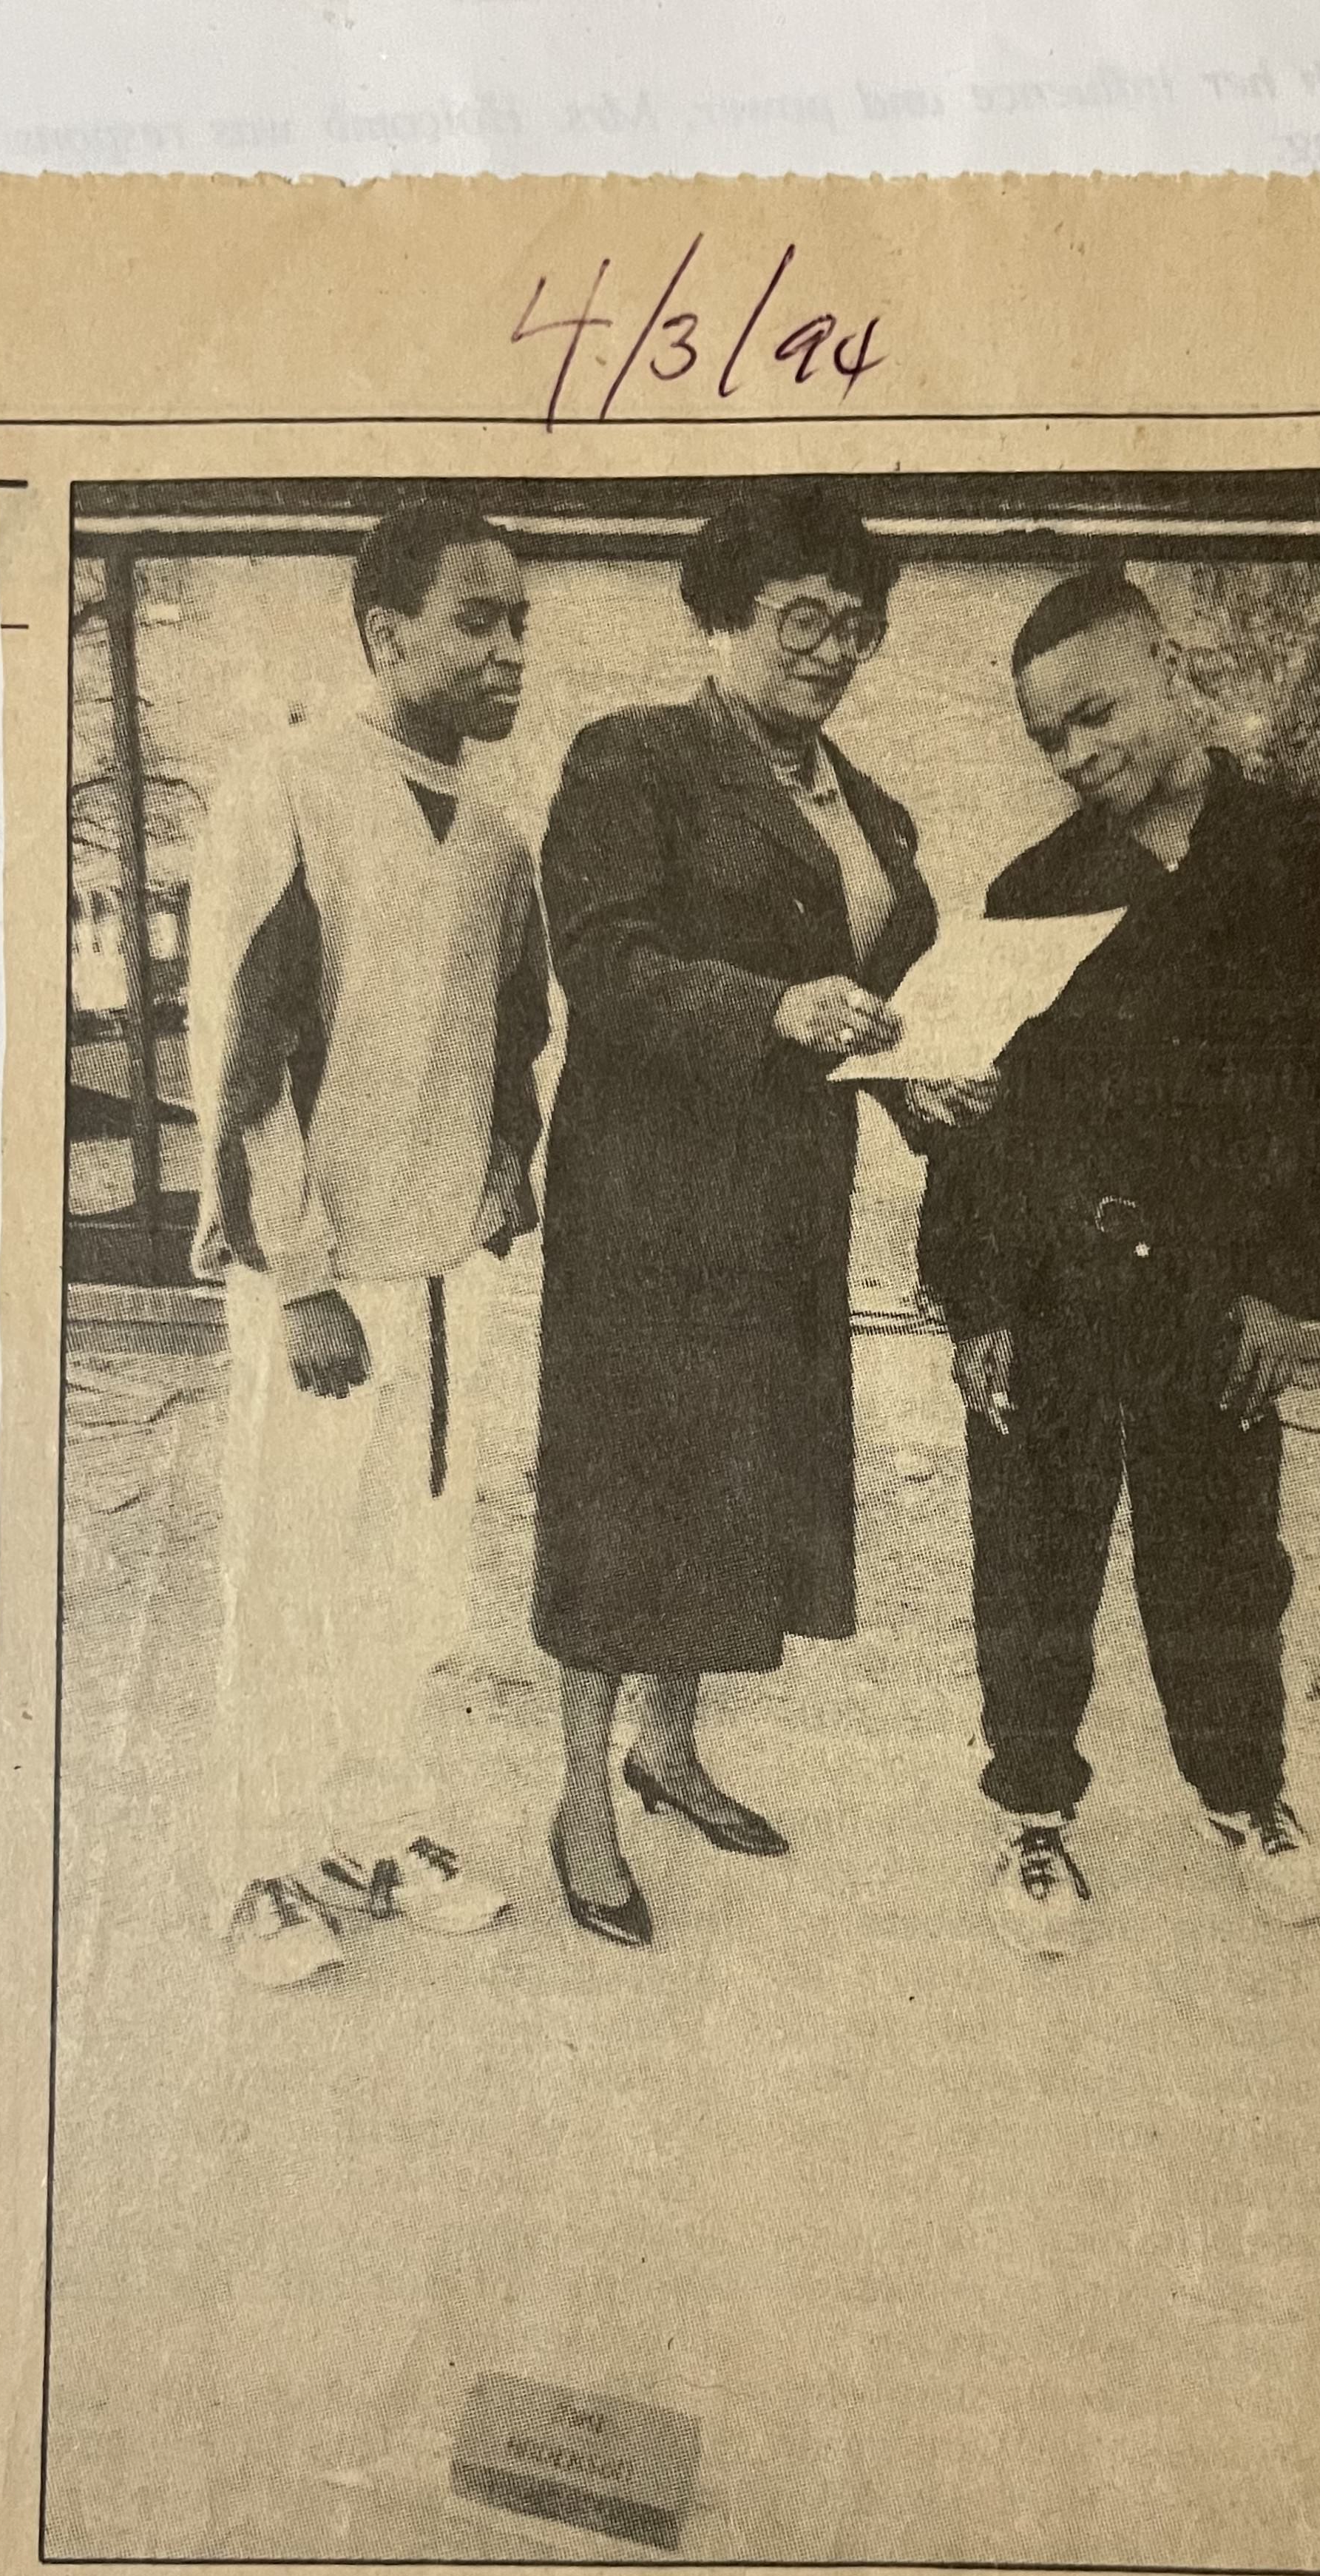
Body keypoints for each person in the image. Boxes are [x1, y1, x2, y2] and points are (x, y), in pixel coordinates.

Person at [916, 565, 1320, 1958]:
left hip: (1218, 1286)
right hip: (1057, 1285)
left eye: (1093, 713)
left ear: (1171, 665)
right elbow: (983, 1128)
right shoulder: (1034, 888)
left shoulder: (1304, 855)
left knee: (1225, 1556)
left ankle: (1245, 1796)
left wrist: (1286, 1283)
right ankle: (1033, 1814)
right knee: (1031, 1558)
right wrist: (978, 1306)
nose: (1074, 755)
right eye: (1045, 740)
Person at [532, 481, 981, 1946]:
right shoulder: (635, 761)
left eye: (856, 626)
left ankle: (669, 1750)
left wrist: (925, 1086)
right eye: (804, 618)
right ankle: (583, 1800)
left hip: (785, 1199)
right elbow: (602, 960)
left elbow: (879, 1004)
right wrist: (774, 1007)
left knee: (727, 1480)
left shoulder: (871, 803)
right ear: (727, 614)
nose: (833, 650)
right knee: (624, 1489)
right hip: (650, 1199)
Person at [186, 493, 551, 1986]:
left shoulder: (501, 835)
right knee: (292, 1568)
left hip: (437, 1269)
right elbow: (246, 1055)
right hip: (317, 1278)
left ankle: (377, 1830)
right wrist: (303, 1276)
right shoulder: (286, 787)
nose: (510, 648)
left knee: (411, 1575)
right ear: (384, 630)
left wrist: (507, 1167)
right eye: (479, 619)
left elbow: (513, 1036)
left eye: (522, 620)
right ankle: (251, 1860)